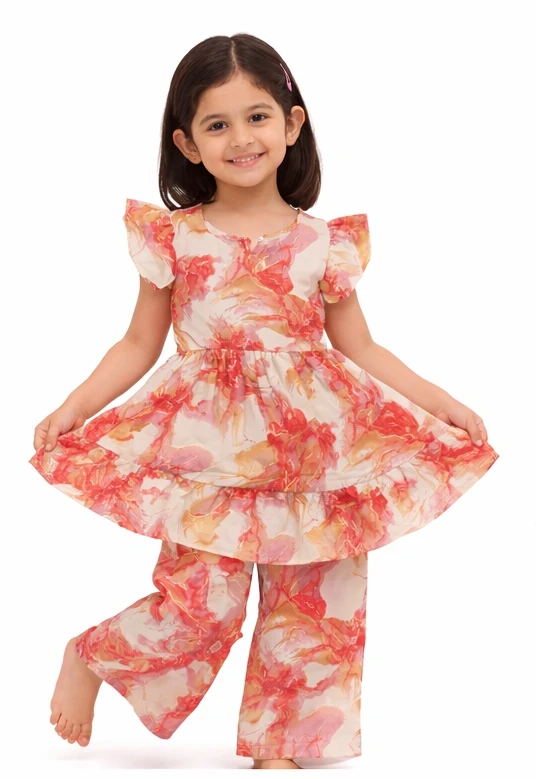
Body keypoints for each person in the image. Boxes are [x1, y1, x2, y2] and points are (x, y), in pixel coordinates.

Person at [29, 32, 499, 770]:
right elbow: (138, 342)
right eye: (217, 124)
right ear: (187, 143)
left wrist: (438, 402)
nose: (242, 138)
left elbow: (360, 345)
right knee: (202, 603)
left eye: (257, 117)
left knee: (319, 598)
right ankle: (93, 655)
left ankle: (289, 742)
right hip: (209, 451)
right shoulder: (175, 240)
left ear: (292, 124)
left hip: (316, 449)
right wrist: (73, 406)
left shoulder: (323, 243)